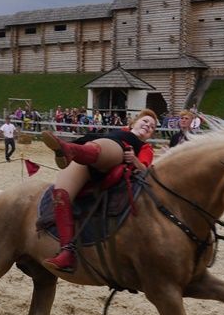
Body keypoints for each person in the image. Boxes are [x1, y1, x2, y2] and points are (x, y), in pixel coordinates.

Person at [40, 108, 157, 272]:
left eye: (152, 127)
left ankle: (70, 149)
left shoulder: (145, 148)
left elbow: (146, 172)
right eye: (145, 121)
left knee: (103, 146)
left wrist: (135, 160)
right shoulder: (118, 132)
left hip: (114, 156)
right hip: (88, 161)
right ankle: (66, 252)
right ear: (134, 122)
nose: (148, 126)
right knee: (61, 195)